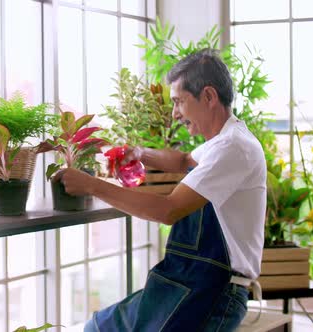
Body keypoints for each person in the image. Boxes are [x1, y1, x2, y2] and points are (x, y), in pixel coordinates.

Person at [58, 49, 266, 331]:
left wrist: (92, 185)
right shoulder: (223, 142)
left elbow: (168, 210)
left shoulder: (233, 148)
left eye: (179, 102)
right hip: (187, 280)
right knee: (98, 327)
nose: (175, 113)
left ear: (208, 96)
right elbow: (183, 160)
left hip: (214, 293)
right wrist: (140, 153)